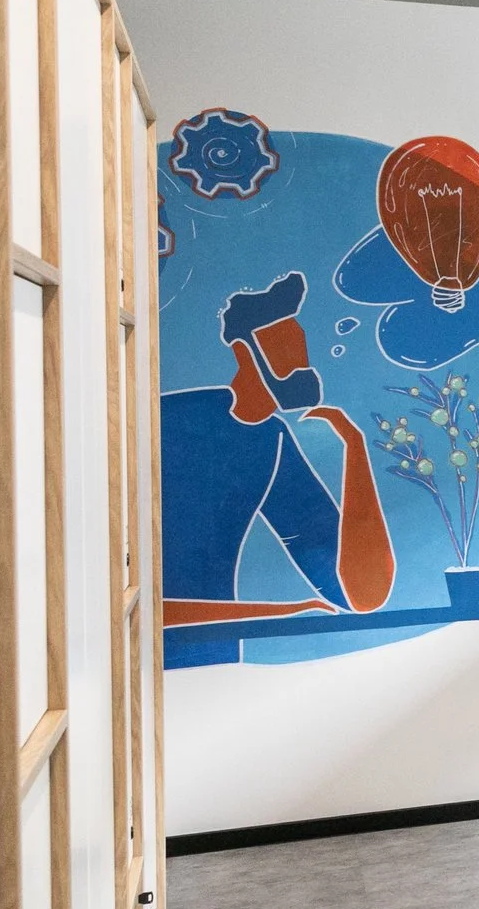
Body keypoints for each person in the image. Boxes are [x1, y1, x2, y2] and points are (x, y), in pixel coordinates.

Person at [159, 272, 395, 666]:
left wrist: (354, 450)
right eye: (283, 354)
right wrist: (279, 612)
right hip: (150, 664)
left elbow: (360, 594)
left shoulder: (270, 440)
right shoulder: (169, 423)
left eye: (299, 354)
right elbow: (126, 599)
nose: (300, 369)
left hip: (218, 669)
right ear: (242, 353)